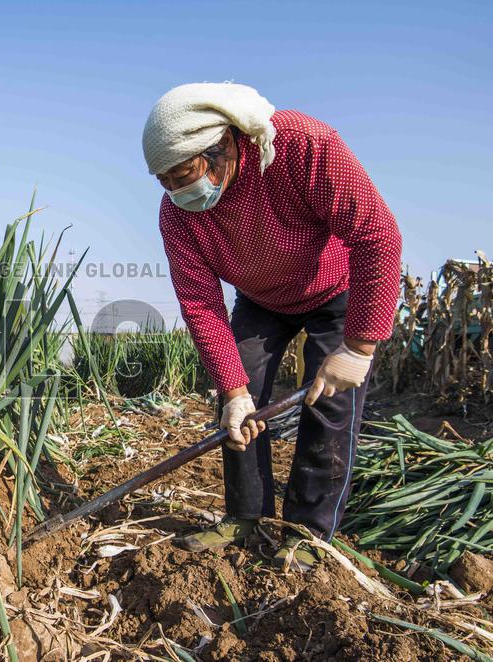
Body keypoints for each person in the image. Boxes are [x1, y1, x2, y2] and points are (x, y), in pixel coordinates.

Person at [141, 82, 402, 572]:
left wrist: (359, 347)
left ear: (225, 144)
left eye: (185, 174)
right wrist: (234, 390)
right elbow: (200, 304)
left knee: (328, 406)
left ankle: (308, 534)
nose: (177, 191)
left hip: (333, 288)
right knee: (239, 405)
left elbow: (377, 235)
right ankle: (246, 517)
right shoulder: (178, 215)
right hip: (261, 301)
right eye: (164, 181)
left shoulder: (302, 145)